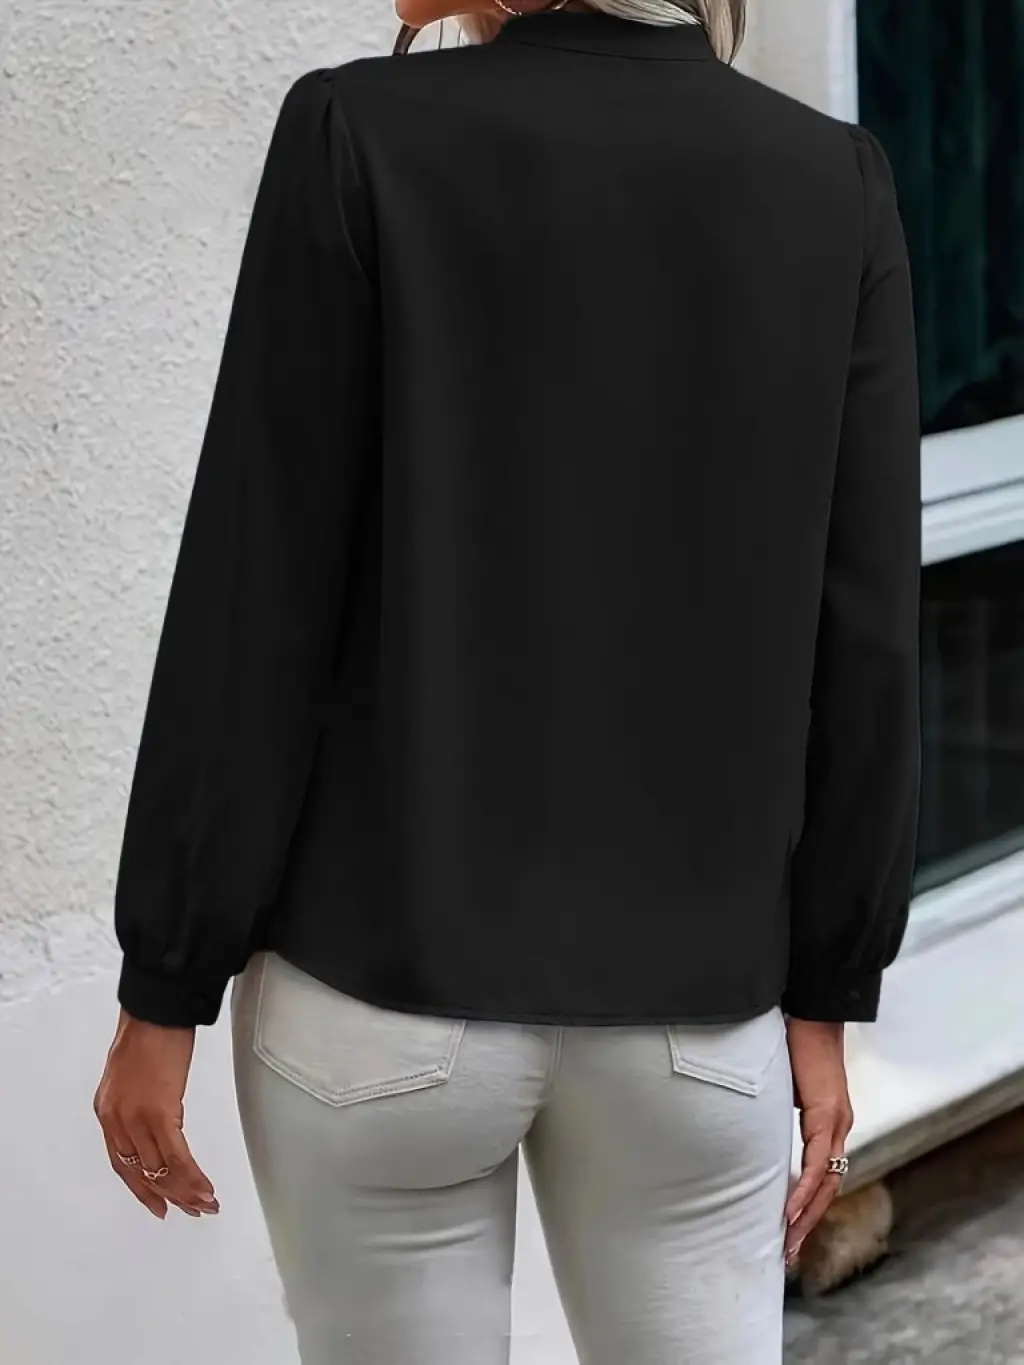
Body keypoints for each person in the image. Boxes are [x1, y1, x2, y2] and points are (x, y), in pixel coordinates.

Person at [93, 1, 922, 1362]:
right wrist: (830, 989)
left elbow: (257, 597)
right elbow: (869, 630)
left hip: (381, 996)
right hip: (700, 1018)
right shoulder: (835, 181)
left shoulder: (357, 132)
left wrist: (165, 982)